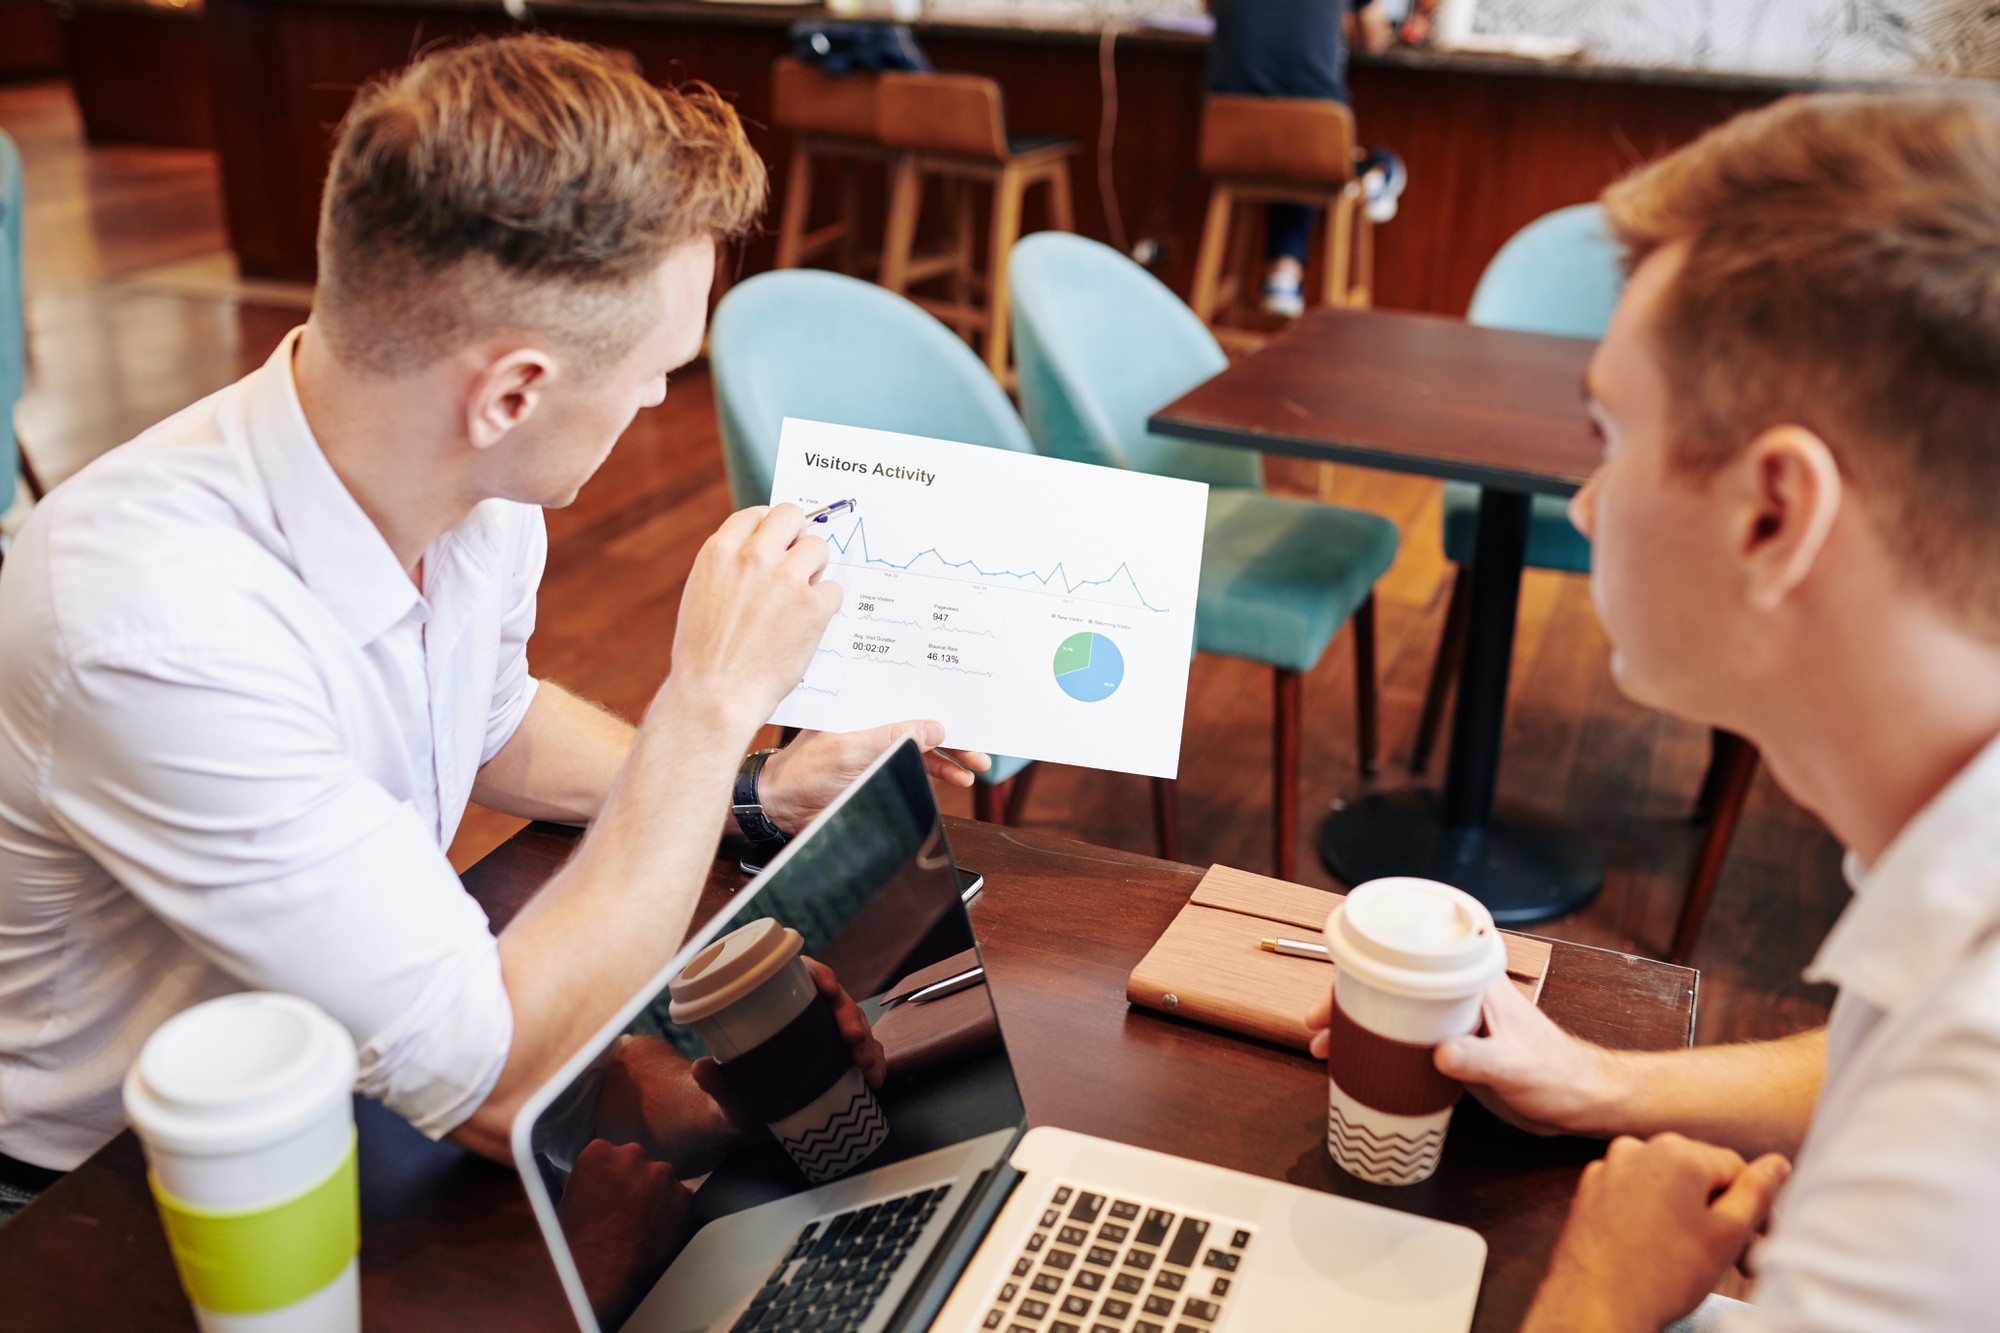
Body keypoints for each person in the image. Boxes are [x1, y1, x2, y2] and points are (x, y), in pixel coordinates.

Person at [0, 34, 988, 1220]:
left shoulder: (465, 482)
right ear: (511, 392)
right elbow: (498, 1080)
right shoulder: (154, 627)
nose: (657, 396)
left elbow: (490, 719)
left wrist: (753, 787)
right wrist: (712, 698)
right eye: (656, 367)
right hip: (104, 1196)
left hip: (347, 1069)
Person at [1305, 89, 2000, 1329]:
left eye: (1609, 437)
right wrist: (1594, 1082)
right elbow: (1878, 1052)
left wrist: (1600, 1291)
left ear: (1772, 514)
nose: (1583, 503)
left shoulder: (1962, 1125)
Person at [1206, 0, 1399, 317]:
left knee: (1290, 151)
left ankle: (1283, 270)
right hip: (1314, 140)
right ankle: (1374, 179)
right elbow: (1373, 41)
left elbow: (1212, 10)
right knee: (1363, 159)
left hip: (1230, 135)